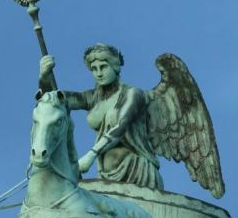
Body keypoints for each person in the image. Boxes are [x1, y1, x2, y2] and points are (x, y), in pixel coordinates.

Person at [37, 44, 163, 190]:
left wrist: (90, 156)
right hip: (105, 174)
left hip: (137, 171)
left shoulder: (133, 94)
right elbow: (53, 101)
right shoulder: (92, 98)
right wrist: (44, 77)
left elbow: (120, 126)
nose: (98, 73)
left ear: (115, 66)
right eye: (93, 69)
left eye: (103, 67)